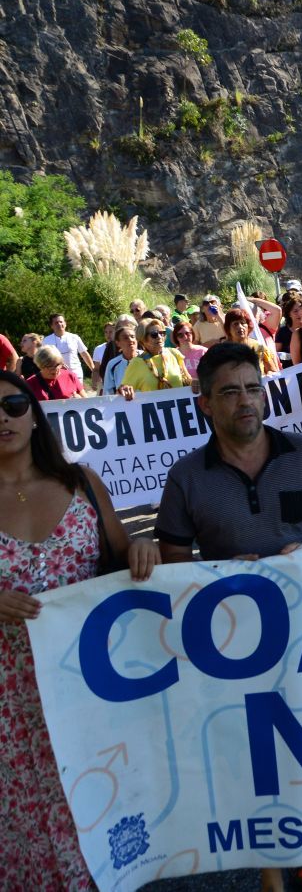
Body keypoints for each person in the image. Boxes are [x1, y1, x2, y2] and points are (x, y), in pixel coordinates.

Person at [155, 343, 302, 892]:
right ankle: (272, 872)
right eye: (231, 391)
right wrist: (220, 573)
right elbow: (174, 562)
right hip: (236, 640)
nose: (246, 401)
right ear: (205, 403)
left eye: (253, 388)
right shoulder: (187, 477)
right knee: (256, 753)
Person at [0, 369, 159, 890]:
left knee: (100, 813)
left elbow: (118, 560)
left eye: (14, 405)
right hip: (10, 702)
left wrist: (142, 548)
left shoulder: (82, 482)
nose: (4, 418)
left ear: (33, 411)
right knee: (22, 828)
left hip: (89, 689)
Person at [122, 318, 191, 392]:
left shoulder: (174, 353)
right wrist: (124, 390)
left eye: (162, 333)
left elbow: (187, 381)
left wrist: (195, 383)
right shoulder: (136, 363)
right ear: (143, 339)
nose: (159, 337)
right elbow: (123, 391)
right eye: (154, 334)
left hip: (180, 403)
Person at [42, 313, 94, 379]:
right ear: (51, 326)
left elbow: (84, 354)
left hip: (76, 374)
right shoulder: (46, 340)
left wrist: (94, 370)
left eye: (61, 322)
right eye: (56, 323)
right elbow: (44, 359)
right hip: (57, 376)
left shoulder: (74, 337)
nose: (59, 324)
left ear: (65, 324)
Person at [101, 325, 139, 397]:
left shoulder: (146, 358)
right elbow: (108, 392)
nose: (130, 340)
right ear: (118, 343)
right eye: (125, 338)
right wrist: (119, 391)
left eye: (132, 337)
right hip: (123, 405)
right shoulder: (112, 364)